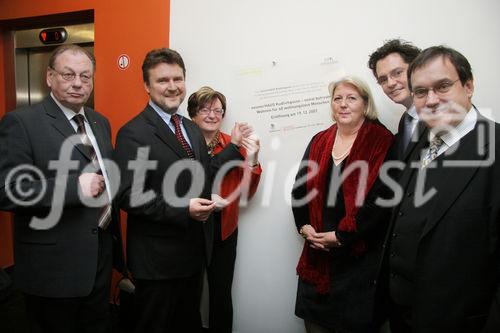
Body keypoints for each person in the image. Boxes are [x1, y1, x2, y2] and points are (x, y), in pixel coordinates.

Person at [114, 48, 251, 333]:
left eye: (178, 78)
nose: (172, 86)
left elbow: (205, 172)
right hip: (157, 263)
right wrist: (184, 208)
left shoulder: (189, 128)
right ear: (147, 86)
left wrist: (235, 148)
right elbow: (130, 194)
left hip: (193, 256)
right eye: (163, 80)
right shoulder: (134, 133)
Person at [0, 44, 120, 333]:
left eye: (85, 76)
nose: (78, 83)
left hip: (99, 257)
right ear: (49, 77)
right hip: (52, 268)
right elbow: (8, 189)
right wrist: (72, 188)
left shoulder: (99, 122)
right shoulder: (21, 122)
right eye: (68, 75)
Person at [380, 46, 500, 333]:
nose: (431, 100)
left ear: (468, 86)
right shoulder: (419, 140)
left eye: (443, 86)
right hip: (404, 317)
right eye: (420, 92)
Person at [292, 76, 393, 333]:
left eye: (352, 98)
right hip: (318, 258)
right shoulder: (319, 140)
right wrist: (304, 227)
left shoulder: (382, 141)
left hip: (359, 261)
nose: (343, 104)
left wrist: (341, 237)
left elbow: (382, 202)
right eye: (338, 98)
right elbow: (299, 190)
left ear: (365, 104)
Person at [187, 86, 262, 333]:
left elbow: (247, 193)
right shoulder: (182, 144)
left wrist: (253, 160)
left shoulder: (232, 144)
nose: (212, 115)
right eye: (205, 109)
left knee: (221, 295)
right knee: (188, 296)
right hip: (189, 229)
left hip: (223, 230)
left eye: (218, 110)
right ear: (193, 114)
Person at [368, 39, 421, 159]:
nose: (390, 83)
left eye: (397, 73)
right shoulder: (406, 121)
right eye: (383, 79)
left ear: (417, 69)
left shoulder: (440, 115)